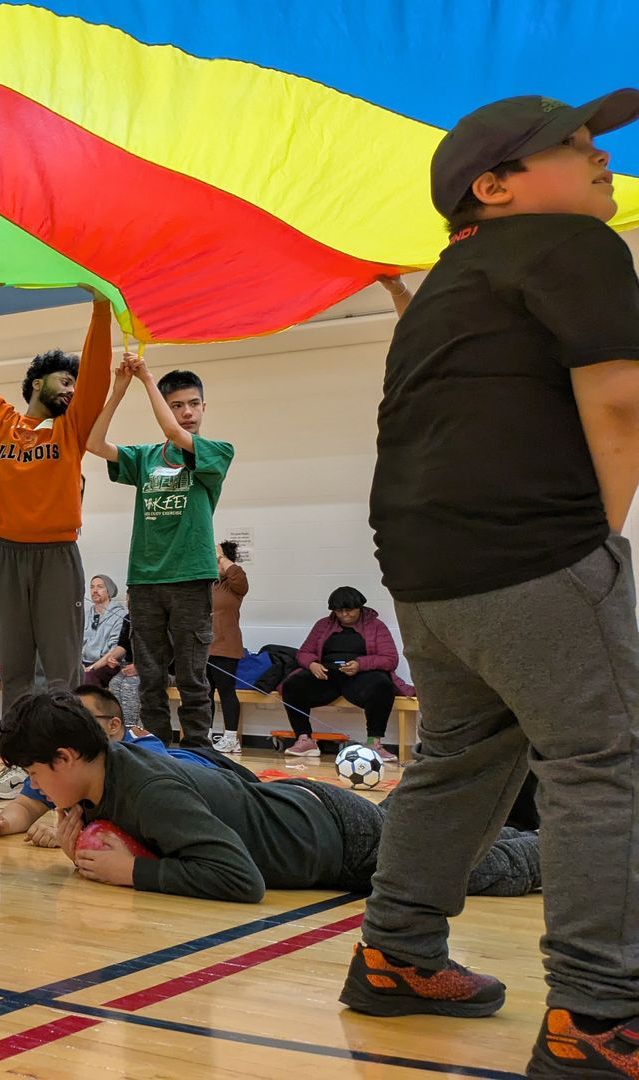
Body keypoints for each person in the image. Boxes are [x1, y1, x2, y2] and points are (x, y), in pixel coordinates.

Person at [346, 92, 639, 1069]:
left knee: (462, 757)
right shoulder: (571, 243)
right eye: (573, 145)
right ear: (496, 184)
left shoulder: (443, 286)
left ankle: (395, 955)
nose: (599, 156)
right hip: (531, 555)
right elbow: (623, 402)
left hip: (423, 574)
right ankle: (600, 1021)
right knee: (604, 761)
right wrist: (592, 548)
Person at [0, 690, 538, 905]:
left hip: (341, 843)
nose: (36, 787)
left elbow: (241, 880)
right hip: (312, 812)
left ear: (67, 757)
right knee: (444, 831)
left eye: (37, 772)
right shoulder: (104, 777)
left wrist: (129, 874)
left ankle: (593, 850)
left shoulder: (149, 789)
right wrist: (85, 854)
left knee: (495, 867)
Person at [0, 286, 113, 720]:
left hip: (57, 556)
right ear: (37, 382)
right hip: (5, 554)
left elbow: (98, 375)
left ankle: (61, 754)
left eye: (75, 387)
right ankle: (17, 756)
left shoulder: (72, 430)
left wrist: (101, 307)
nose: (71, 391)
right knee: (16, 668)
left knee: (61, 669)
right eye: (65, 381)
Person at [88, 356, 234, 748]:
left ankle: (199, 748)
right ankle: (156, 745)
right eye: (177, 405)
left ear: (204, 407)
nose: (186, 413)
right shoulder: (145, 458)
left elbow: (172, 431)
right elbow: (93, 442)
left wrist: (146, 378)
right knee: (148, 675)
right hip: (147, 579)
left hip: (189, 577)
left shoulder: (216, 451)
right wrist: (119, 388)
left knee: (191, 673)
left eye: (193, 404)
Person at [0, 684, 227, 844]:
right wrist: (4, 822)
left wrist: (80, 833)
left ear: (113, 725)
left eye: (83, 716)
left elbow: (149, 818)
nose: (73, 723)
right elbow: (29, 805)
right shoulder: (64, 767)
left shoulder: (142, 754)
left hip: (213, 771)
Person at [279, 587, 408, 760]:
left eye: (350, 610)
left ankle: (373, 742)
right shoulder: (322, 625)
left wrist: (360, 664)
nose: (345, 615)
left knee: (383, 685)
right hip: (327, 675)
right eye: (340, 611)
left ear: (360, 608)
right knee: (292, 684)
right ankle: (304, 738)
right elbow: (303, 653)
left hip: (361, 676)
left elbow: (390, 659)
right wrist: (312, 664)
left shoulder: (376, 626)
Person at [206, 541, 249, 754]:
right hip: (203, 648)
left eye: (218, 562)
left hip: (225, 647)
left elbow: (238, 576)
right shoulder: (208, 584)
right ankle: (205, 733)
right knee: (205, 692)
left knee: (226, 691)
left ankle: (231, 737)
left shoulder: (233, 585)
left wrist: (221, 556)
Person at [79, 575, 128, 688]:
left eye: (100, 587)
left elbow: (116, 650)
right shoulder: (86, 615)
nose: (95, 590)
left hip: (106, 663)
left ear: (109, 591)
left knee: (88, 679)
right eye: (92, 587)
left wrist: (92, 667)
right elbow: (77, 643)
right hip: (84, 662)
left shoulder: (120, 615)